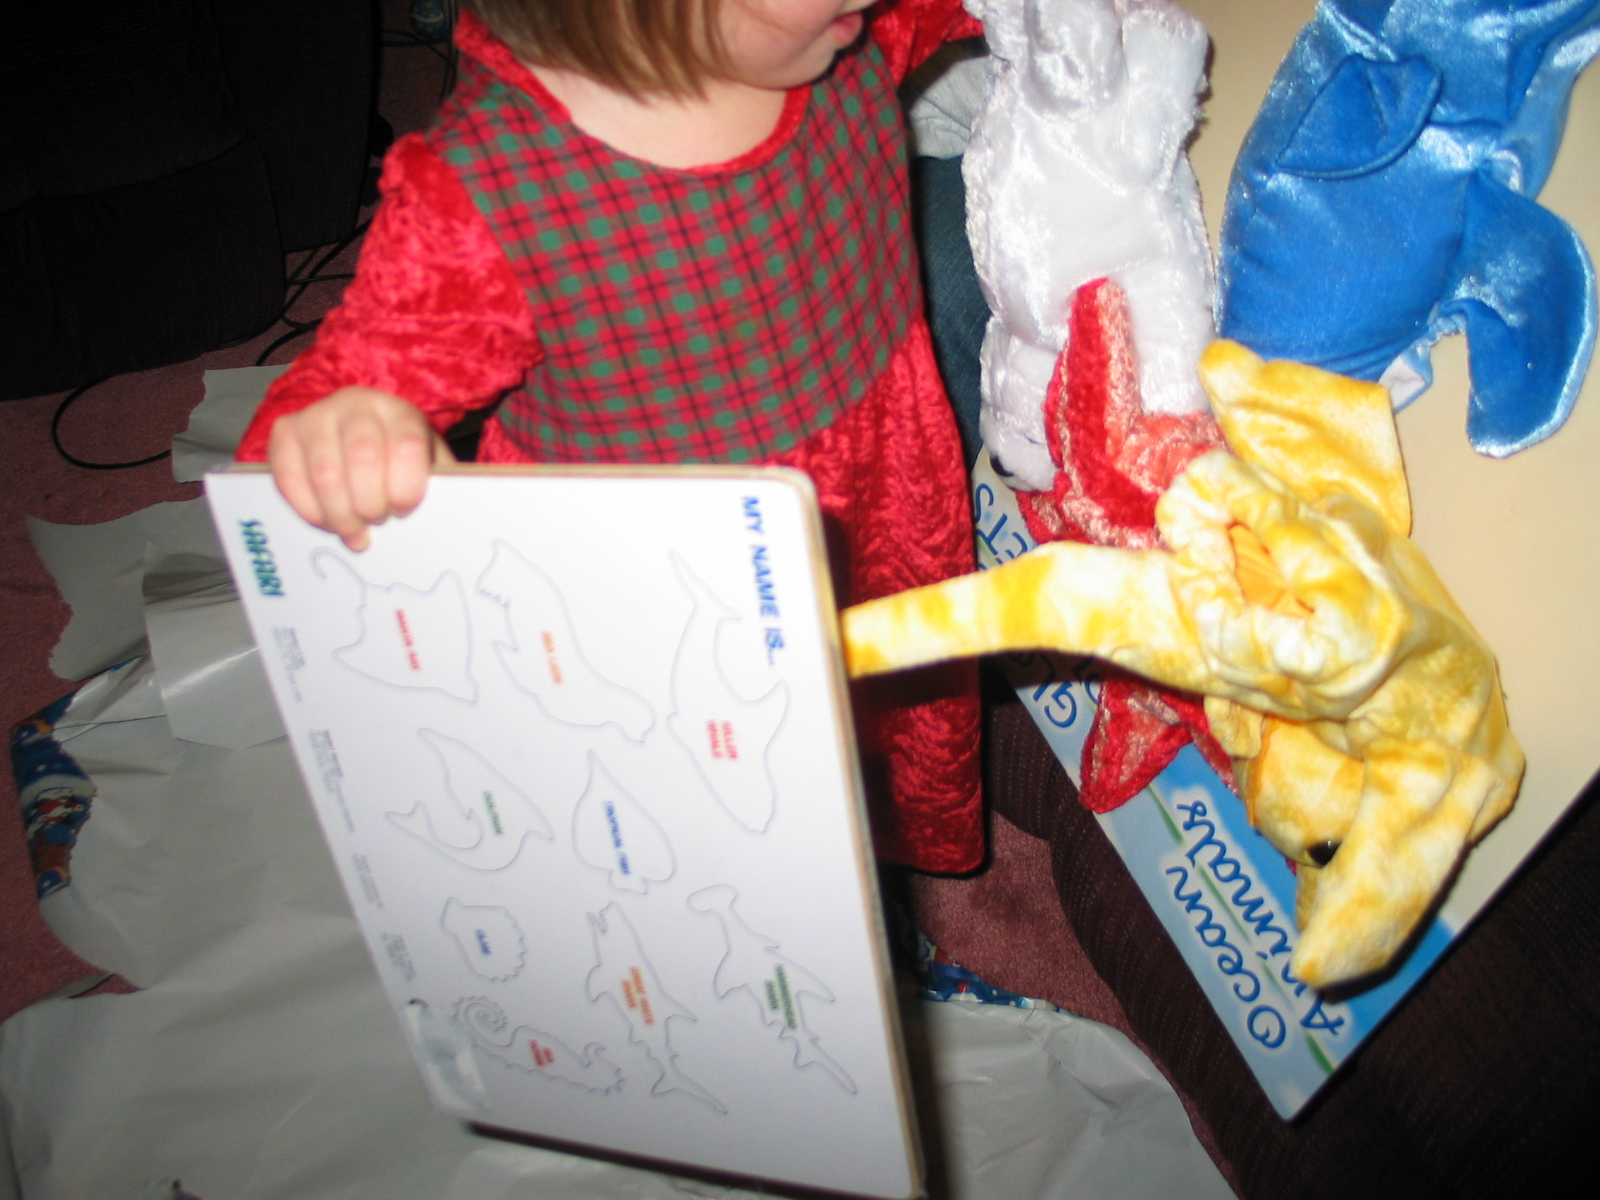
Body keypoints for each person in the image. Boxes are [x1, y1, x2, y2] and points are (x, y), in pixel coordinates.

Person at [234, 0, 985, 873]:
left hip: (884, 521)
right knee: (718, 844)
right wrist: (351, 430)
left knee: (870, 757)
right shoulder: (489, 192)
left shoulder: (855, 30)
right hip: (671, 611)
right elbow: (341, 392)